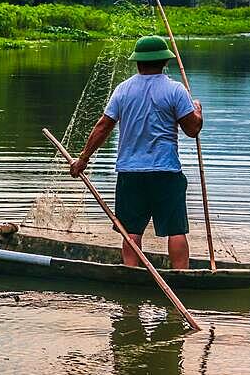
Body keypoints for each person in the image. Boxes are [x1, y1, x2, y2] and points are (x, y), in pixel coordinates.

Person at [68, 35, 203, 270]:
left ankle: (131, 275)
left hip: (130, 173)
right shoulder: (175, 90)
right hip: (166, 172)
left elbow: (103, 126)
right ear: (164, 62)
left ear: (138, 63)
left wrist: (83, 159)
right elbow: (192, 130)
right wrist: (198, 112)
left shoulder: (123, 90)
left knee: (130, 231)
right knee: (176, 230)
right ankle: (182, 276)